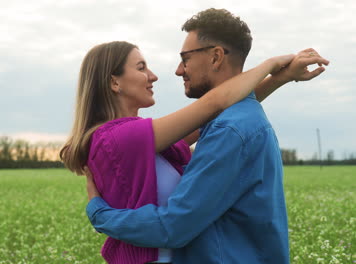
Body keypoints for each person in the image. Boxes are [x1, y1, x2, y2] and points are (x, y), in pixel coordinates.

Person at [83, 8, 329, 264]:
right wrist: (277, 74)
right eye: (142, 67)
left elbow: (216, 107)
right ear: (114, 82)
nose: (176, 71)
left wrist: (100, 214)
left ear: (215, 57)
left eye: (185, 58)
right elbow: (214, 107)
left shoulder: (228, 128)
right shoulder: (127, 137)